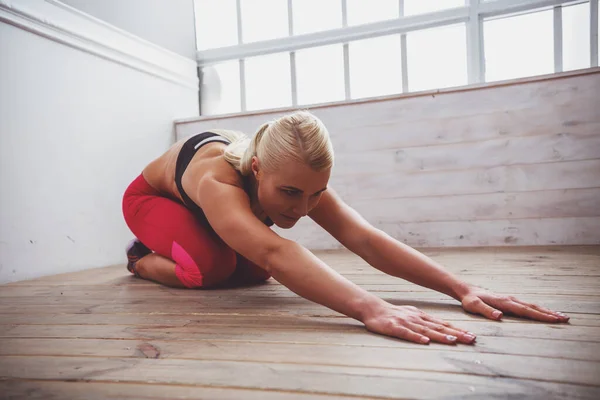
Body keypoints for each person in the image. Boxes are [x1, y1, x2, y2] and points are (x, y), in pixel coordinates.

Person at [122, 110, 570, 346]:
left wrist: (462, 288)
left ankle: (201, 246)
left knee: (257, 272)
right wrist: (370, 307)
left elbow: (365, 239)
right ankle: (141, 259)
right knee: (214, 268)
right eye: (292, 193)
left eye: (317, 194)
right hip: (152, 202)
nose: (305, 208)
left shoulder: (298, 178)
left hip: (217, 210)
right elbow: (279, 253)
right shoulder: (217, 181)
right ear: (256, 169)